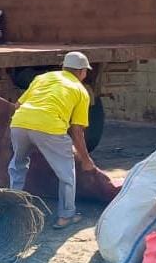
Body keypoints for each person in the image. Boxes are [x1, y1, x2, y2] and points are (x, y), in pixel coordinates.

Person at [9, 52, 96, 230]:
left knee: (17, 166)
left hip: (19, 123)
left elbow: (17, 105)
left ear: (64, 67)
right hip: (49, 127)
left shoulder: (43, 78)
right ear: (82, 72)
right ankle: (66, 216)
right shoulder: (80, 90)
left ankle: (12, 209)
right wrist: (85, 159)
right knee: (66, 174)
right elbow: (77, 131)